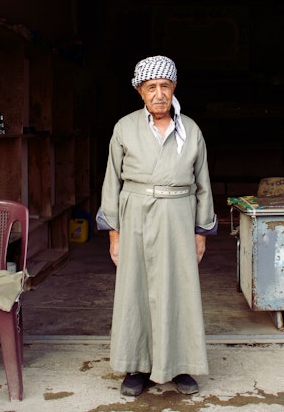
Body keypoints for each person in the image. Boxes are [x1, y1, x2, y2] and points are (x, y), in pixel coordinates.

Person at [96, 55, 217, 397]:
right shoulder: (124, 128)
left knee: (178, 290)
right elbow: (111, 182)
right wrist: (114, 234)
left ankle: (179, 366)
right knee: (135, 291)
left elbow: (203, 183)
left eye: (165, 86)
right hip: (134, 216)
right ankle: (138, 367)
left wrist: (200, 232)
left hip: (179, 216)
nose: (159, 94)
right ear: (140, 91)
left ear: (174, 87)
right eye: (151, 87)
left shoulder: (191, 130)